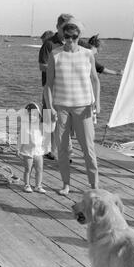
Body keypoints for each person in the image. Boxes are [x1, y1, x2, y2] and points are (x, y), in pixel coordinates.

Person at [45, 23, 100, 195]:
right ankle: (66, 184)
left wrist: (97, 102)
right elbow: (48, 85)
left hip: (83, 107)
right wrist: (50, 107)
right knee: (62, 150)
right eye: (67, 37)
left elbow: (95, 80)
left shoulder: (87, 54)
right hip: (61, 108)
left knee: (88, 149)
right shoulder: (55, 55)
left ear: (79, 36)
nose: (70, 40)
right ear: (62, 36)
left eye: (74, 37)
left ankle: (94, 186)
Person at [39, 14, 84, 160]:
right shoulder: (49, 44)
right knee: (49, 120)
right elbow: (42, 65)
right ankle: (50, 149)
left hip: (68, 90)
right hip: (51, 89)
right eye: (66, 26)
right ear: (58, 27)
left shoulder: (74, 43)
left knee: (65, 122)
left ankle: (66, 151)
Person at [16, 102, 49, 193]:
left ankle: (38, 186)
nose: (32, 117)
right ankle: (27, 185)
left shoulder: (41, 127)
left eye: (35, 115)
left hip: (38, 152)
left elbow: (45, 138)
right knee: (28, 169)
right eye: (30, 115)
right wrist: (18, 148)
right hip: (28, 151)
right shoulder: (25, 127)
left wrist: (47, 148)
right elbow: (20, 139)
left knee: (39, 169)